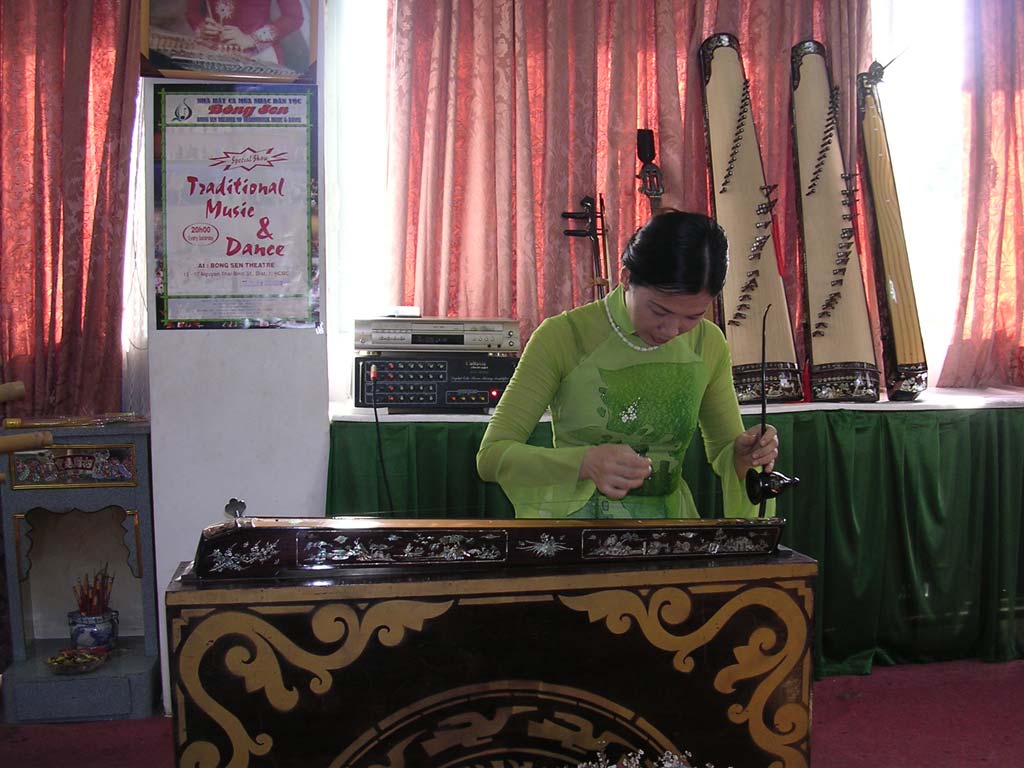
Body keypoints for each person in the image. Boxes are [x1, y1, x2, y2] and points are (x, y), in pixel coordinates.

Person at [476, 209, 779, 519]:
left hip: (669, 528)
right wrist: (584, 462)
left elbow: (726, 450)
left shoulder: (707, 343)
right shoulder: (564, 336)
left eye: (692, 316)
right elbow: (491, 455)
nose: (671, 330)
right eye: (659, 311)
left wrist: (744, 456)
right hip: (577, 529)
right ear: (626, 278)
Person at [185, 0, 304, 68]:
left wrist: (253, 39)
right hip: (214, 54)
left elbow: (294, 17)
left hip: (259, 56)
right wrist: (202, 28)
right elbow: (192, 12)